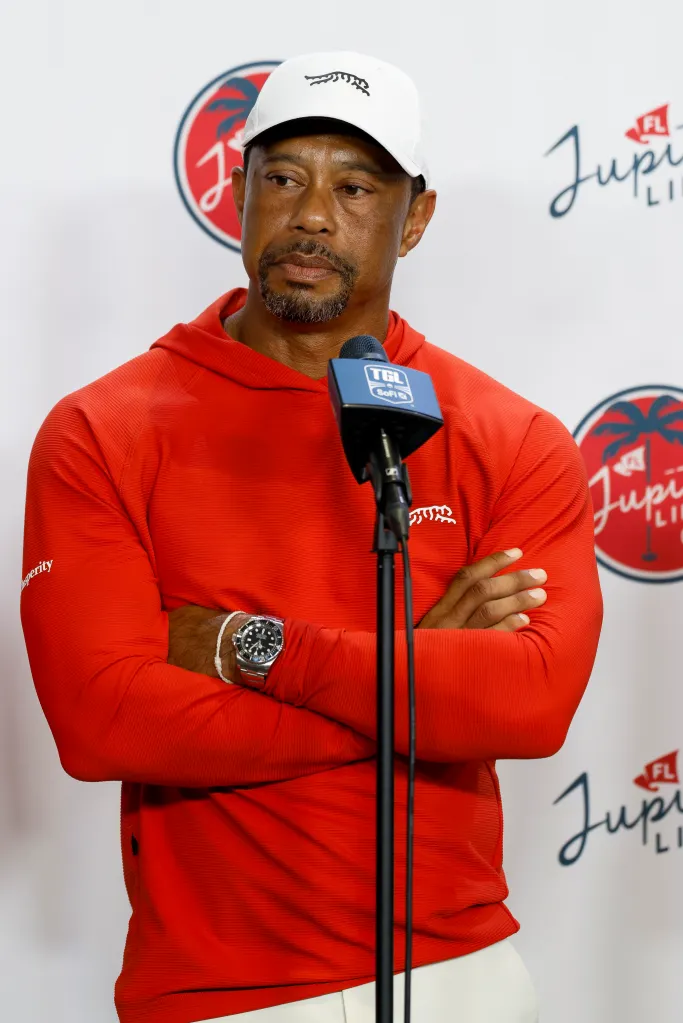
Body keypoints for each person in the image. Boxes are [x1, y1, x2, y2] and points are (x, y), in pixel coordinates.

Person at [20, 51, 602, 1023]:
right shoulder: (103, 429)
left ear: (413, 217)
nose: (313, 215)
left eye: (356, 184)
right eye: (283, 178)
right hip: (214, 995)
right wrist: (416, 675)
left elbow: (528, 707)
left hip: (461, 979)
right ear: (235, 194)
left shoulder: (508, 435)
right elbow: (102, 721)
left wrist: (250, 648)